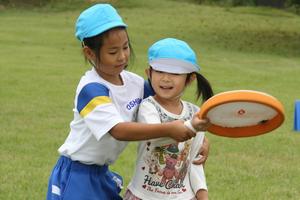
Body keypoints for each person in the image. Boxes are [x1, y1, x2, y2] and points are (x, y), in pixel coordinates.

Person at [46, 4, 210, 200]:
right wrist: (170, 130)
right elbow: (118, 130)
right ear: (90, 53)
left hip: (101, 173)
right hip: (77, 173)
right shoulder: (91, 89)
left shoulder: (135, 83)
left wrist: (199, 138)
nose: (123, 56)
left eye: (125, 47)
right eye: (113, 52)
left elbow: (168, 107)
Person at [124, 38, 213, 200]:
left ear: (190, 78)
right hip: (143, 195)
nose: (165, 78)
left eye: (175, 73)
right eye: (159, 71)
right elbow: (155, 137)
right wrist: (192, 127)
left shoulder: (196, 113)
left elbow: (195, 161)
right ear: (148, 73)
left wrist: (203, 196)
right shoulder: (148, 106)